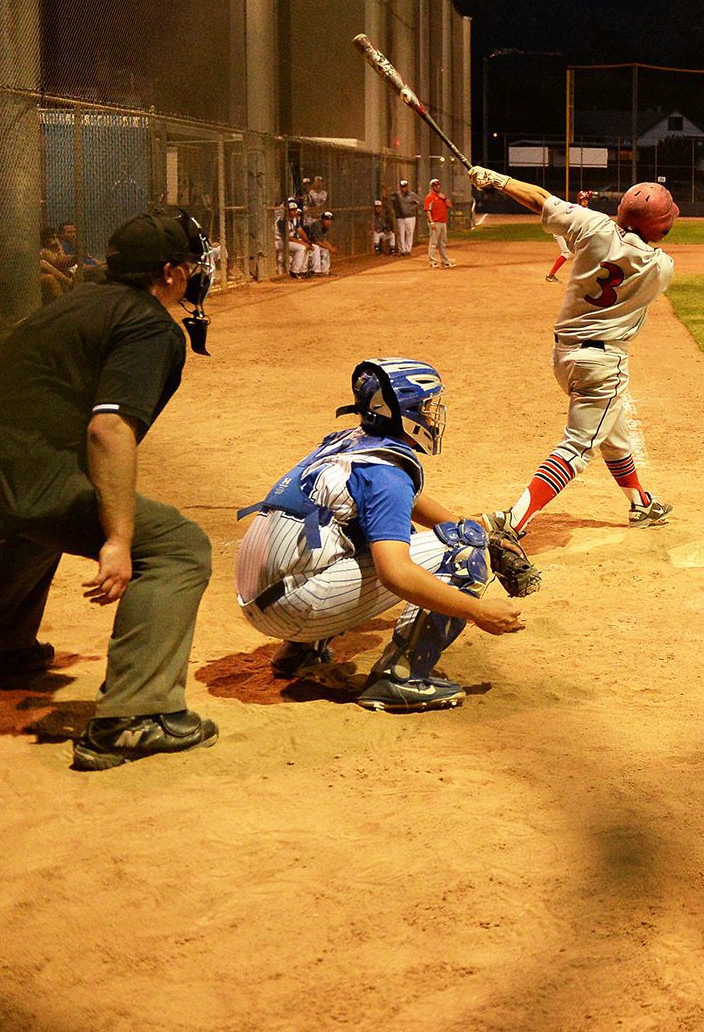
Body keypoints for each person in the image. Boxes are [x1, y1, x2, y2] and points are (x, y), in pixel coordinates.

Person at [0, 209, 218, 771]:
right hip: (7, 465)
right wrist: (118, 539)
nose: (196, 273)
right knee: (179, 547)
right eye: (190, 264)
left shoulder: (77, 301)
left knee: (44, 511)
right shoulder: (150, 326)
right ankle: (135, 716)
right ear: (170, 273)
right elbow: (108, 430)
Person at [234, 359, 527, 712]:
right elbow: (395, 573)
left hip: (261, 595)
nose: (430, 415)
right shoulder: (386, 473)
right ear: (403, 412)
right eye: (424, 406)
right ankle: (400, 678)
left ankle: (299, 651)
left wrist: (479, 529)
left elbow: (401, 502)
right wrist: (479, 611)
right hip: (294, 606)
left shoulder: (352, 443)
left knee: (384, 530)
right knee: (463, 549)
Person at [463, 168, 678, 552]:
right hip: (602, 364)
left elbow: (539, 200)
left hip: (564, 356)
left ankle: (641, 504)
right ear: (660, 229)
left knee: (613, 432)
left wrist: (497, 180)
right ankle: (513, 521)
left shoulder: (593, 227)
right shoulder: (661, 268)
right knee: (578, 447)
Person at [424, 179, 454, 269]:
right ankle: (432, 261)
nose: (437, 187)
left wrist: (444, 198)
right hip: (435, 222)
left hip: (442, 222)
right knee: (433, 243)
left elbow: (450, 205)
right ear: (432, 187)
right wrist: (431, 222)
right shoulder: (429, 197)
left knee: (443, 243)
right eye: (435, 186)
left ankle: (445, 262)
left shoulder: (442, 196)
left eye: (438, 185)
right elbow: (428, 211)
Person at [278, 200, 311, 278]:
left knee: (307, 247)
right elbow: (287, 238)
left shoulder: (295, 219)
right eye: (291, 210)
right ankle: (294, 271)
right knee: (301, 248)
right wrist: (303, 243)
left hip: (289, 241)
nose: (294, 212)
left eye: (295, 209)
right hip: (279, 241)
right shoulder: (282, 220)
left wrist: (307, 241)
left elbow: (300, 231)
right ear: (287, 211)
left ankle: (303, 270)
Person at [389, 179, 420, 256]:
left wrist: (412, 207)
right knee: (401, 233)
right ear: (400, 187)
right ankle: (402, 250)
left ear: (407, 187)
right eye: (402, 186)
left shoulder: (412, 195)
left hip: (410, 217)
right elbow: (390, 200)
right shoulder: (397, 195)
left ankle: (408, 250)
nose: (404, 188)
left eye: (405, 186)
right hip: (400, 217)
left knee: (410, 233)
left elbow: (419, 202)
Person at [307, 210, 335, 277]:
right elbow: (316, 241)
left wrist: (330, 246)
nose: (328, 222)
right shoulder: (316, 225)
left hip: (314, 243)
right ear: (321, 219)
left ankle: (325, 271)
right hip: (308, 243)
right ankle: (316, 271)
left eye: (330, 220)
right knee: (316, 247)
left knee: (326, 249)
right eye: (326, 220)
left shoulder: (325, 227)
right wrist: (329, 248)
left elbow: (322, 239)